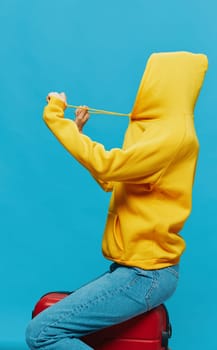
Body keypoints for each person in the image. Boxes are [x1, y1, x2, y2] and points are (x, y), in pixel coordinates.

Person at [26, 51, 208, 350]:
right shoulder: (158, 131)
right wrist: (77, 132)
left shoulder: (173, 137)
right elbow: (113, 179)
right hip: (134, 268)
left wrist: (55, 117)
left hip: (145, 274)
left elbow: (109, 166)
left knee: (40, 333)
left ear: (165, 84)